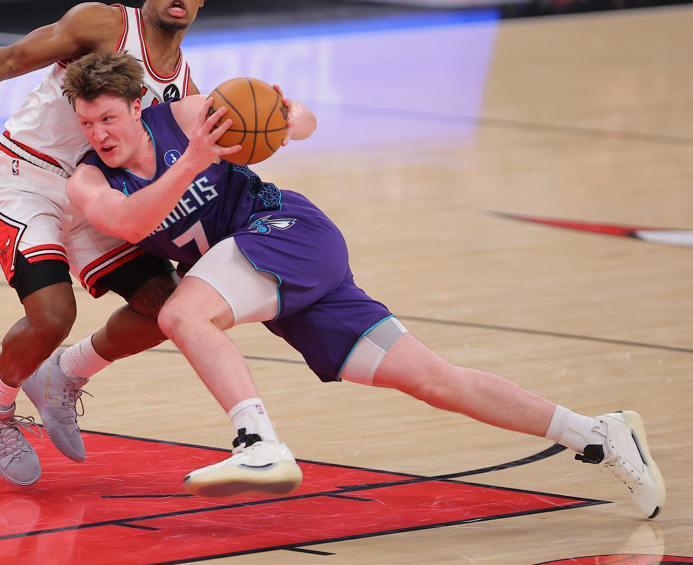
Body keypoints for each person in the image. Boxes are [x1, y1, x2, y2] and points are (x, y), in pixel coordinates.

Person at [61, 50, 667, 519]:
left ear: (138, 105)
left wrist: (286, 116)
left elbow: (300, 120)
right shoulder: (89, 183)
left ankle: (258, 442)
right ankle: (598, 434)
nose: (100, 133)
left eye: (109, 117)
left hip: (287, 231)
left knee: (182, 315)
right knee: (436, 381)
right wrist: (193, 163)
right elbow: (130, 222)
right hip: (268, 282)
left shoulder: (190, 115)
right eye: (87, 123)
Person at [0, 0, 229, 486]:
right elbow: (17, 56)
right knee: (52, 316)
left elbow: (178, 176)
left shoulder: (183, 88)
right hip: (25, 177)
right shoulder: (104, 24)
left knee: (165, 307)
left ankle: (64, 375)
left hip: (93, 196)